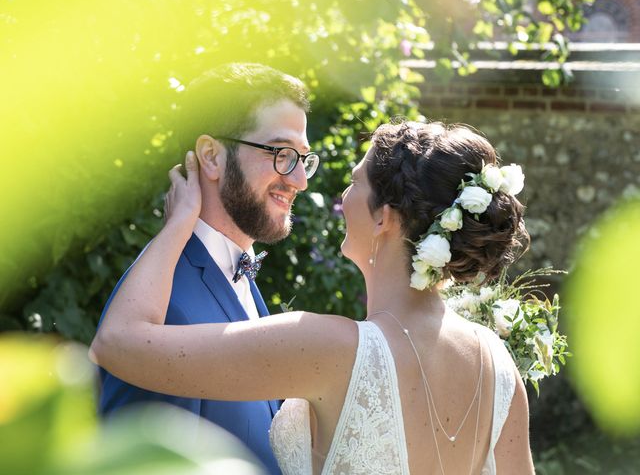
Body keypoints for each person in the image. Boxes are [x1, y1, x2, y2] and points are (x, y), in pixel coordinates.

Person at [91, 121, 536, 474]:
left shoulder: (328, 347)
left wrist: (177, 225)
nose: (341, 197)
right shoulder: (498, 366)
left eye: (355, 183)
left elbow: (118, 343)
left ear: (384, 217)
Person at [96, 62, 319, 474]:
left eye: (304, 159)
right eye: (283, 154)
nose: (300, 179)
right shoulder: (160, 310)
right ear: (212, 156)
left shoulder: (242, 280)